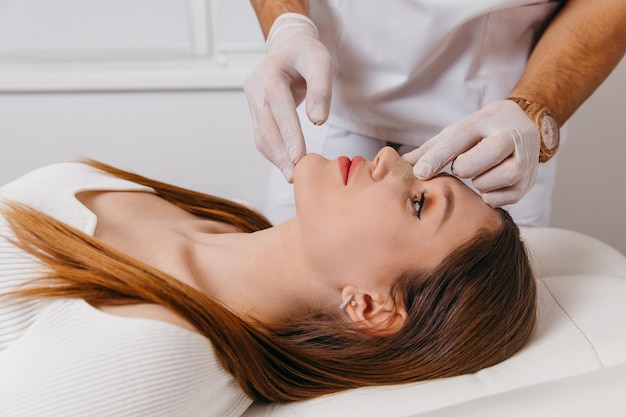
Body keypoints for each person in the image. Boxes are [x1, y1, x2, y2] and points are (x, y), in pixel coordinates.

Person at [0, 147, 535, 416]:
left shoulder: (157, 354)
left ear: (371, 307)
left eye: (419, 203)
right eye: (421, 171)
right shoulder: (222, 221)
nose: (391, 157)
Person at [244, 0, 626, 227]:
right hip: (330, 95)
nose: (390, 160)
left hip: (496, 118)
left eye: (420, 203)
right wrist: (286, 24)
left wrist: (533, 107)